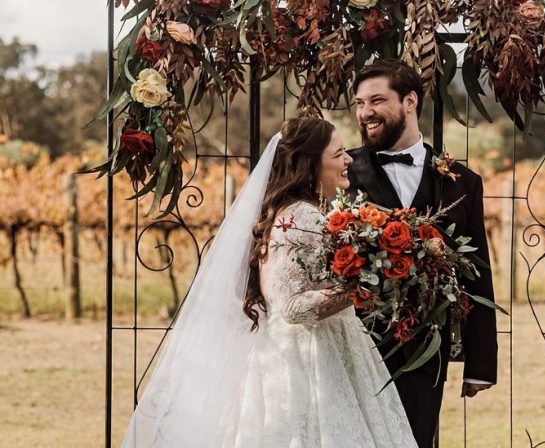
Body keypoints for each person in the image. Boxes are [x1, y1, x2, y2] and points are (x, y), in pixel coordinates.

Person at [120, 117, 418, 447]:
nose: (349, 159)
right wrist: (363, 284)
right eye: (338, 153)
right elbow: (291, 307)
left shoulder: (298, 213)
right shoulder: (301, 217)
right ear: (311, 162)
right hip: (307, 362)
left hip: (313, 350)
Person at [347, 59, 498, 448]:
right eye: (361, 103)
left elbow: (477, 271)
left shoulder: (463, 182)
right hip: (352, 347)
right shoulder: (341, 170)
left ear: (410, 101)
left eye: (377, 100)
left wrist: (480, 364)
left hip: (425, 352)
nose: (366, 113)